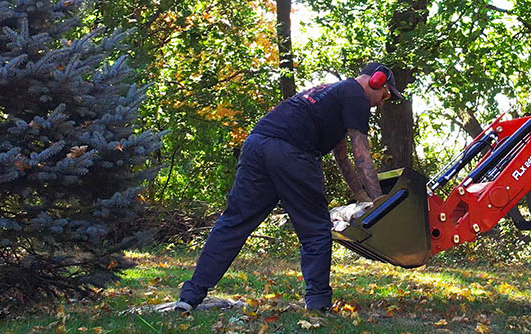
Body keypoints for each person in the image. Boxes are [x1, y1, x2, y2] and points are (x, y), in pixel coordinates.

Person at [163, 62, 404, 312]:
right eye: (385, 95)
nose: (381, 103)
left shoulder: (331, 94)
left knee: (234, 222)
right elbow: (361, 154)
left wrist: (360, 195)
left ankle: (189, 298)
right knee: (315, 230)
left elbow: (342, 156)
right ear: (376, 81)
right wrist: (379, 202)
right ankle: (318, 304)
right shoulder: (356, 95)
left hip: (257, 144)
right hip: (292, 152)